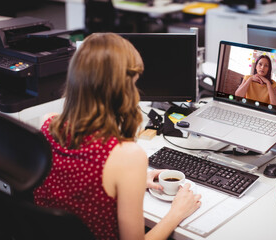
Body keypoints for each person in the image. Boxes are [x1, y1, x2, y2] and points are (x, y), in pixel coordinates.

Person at [34, 33, 201, 240]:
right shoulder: (126, 156)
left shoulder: (47, 125)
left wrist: (133, 181)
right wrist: (177, 212)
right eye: (134, 83)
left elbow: (78, 192)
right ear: (122, 89)